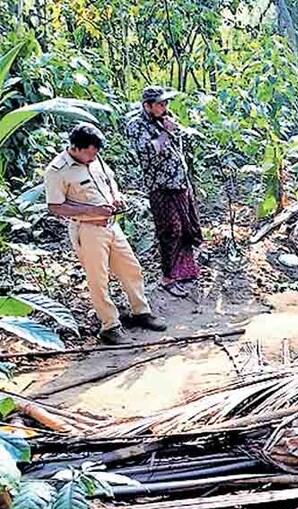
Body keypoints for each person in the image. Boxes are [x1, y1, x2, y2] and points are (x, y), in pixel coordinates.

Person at [44, 124, 166, 345]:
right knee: (98, 279)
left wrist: (116, 197)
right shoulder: (58, 170)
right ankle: (110, 326)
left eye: (95, 152)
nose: (93, 157)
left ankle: (141, 312)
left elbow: (110, 182)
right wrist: (91, 211)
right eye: (89, 153)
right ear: (75, 148)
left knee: (131, 268)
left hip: (111, 225)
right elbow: (55, 207)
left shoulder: (95, 159)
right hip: (87, 230)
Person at [123, 86, 203, 298]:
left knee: (187, 228)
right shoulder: (136, 125)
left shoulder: (165, 119)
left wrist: (174, 129)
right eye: (160, 104)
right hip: (161, 186)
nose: (164, 107)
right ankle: (167, 278)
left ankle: (184, 271)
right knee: (170, 231)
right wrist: (166, 132)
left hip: (179, 181)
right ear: (147, 106)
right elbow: (147, 153)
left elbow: (180, 143)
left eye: (165, 103)